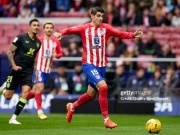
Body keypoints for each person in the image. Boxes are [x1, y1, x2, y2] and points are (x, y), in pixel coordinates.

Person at [54, 6, 143, 129]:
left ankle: (72, 107)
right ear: (92, 15)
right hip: (88, 64)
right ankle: (106, 119)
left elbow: (120, 33)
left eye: (102, 16)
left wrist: (133, 35)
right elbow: (70, 30)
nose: (100, 18)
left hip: (101, 66)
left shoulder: (106, 28)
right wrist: (60, 33)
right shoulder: (84, 28)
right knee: (104, 87)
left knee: (91, 95)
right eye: (98, 16)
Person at [0, 19, 41, 124]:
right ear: (29, 27)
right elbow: (9, 52)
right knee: (8, 97)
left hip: (28, 72)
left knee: (26, 93)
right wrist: (14, 66)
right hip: (16, 70)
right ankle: (2, 89)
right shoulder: (20, 37)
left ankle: (13, 118)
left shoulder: (38, 43)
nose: (36, 27)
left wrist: (36, 71)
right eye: (34, 25)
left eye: (38, 25)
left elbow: (34, 58)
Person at [25, 21, 63, 119]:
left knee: (34, 91)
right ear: (44, 29)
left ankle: (21, 101)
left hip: (47, 69)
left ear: (53, 29)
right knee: (40, 88)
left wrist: (56, 55)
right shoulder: (38, 40)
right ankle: (40, 111)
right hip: (38, 68)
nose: (49, 29)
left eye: (51, 28)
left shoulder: (56, 42)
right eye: (47, 27)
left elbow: (60, 54)